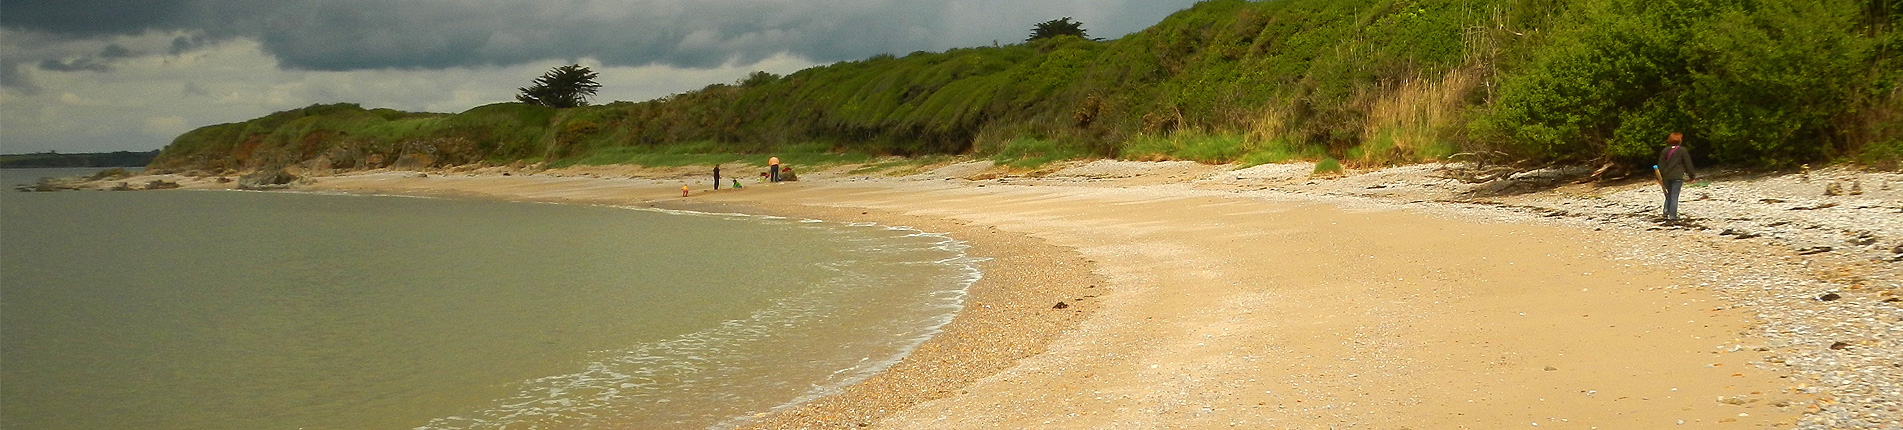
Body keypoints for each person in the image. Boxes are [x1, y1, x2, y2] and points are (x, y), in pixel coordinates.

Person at [1655, 132, 1697, 221]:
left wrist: (1658, 178)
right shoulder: (1682, 150)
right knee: (1674, 196)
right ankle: (1672, 216)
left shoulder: (1665, 150)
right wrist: (1692, 176)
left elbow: (1660, 165)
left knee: (1668, 194)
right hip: (1677, 176)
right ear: (1680, 140)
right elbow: (1688, 164)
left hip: (1666, 176)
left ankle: (1666, 211)